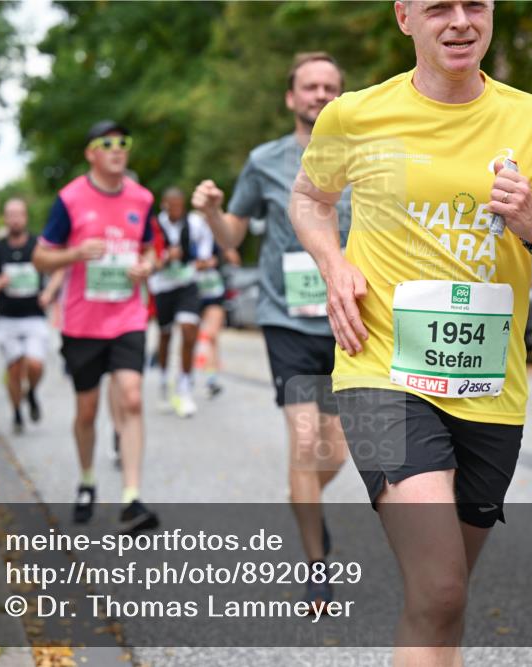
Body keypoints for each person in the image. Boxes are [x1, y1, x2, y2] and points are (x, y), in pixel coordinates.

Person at [290, 1, 532, 661]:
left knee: (441, 604)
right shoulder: (355, 114)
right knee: (438, 586)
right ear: (405, 18)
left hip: (490, 389)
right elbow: (309, 199)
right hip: (377, 375)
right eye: (438, 8)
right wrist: (333, 261)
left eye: (475, 5)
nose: (460, 21)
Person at [192, 51, 353, 610]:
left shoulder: (367, 158)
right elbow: (232, 233)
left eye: (330, 85)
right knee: (306, 442)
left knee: (339, 451)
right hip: (287, 318)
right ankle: (316, 565)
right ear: (291, 97)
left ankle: (303, 498)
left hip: (352, 318)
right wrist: (213, 212)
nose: (320, 94)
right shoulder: (264, 162)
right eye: (310, 86)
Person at [33, 120, 160, 533]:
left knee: (132, 396)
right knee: (86, 410)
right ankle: (87, 480)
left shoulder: (141, 198)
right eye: (108, 143)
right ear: (92, 153)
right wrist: (74, 254)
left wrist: (146, 267)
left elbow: (149, 252)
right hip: (83, 322)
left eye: (124, 142)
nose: (118, 149)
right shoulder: (69, 199)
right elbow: (40, 258)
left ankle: (131, 498)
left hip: (127, 316)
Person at [0, 198, 51, 435]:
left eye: (19, 214)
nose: (15, 219)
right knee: (15, 368)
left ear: (25, 217)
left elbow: (58, 269)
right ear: (5, 218)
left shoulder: (38, 246)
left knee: (35, 365)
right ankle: (17, 413)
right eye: (11, 214)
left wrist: (49, 292)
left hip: (34, 316)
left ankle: (32, 393)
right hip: (6, 318)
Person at [147, 187, 214, 418]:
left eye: (180, 205)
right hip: (163, 286)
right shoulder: (155, 225)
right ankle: (164, 381)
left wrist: (202, 260)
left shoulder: (195, 223)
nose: (176, 209)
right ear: (164, 205)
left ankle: (184, 385)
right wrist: (165, 257)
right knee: (165, 335)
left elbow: (205, 245)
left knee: (188, 331)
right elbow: (148, 254)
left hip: (187, 284)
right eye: (172, 205)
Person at [194, 246, 240, 398]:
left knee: (211, 335)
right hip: (193, 293)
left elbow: (235, 260)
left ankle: (211, 380)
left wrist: (227, 252)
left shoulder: (217, 238)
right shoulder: (190, 231)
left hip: (215, 293)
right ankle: (187, 377)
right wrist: (201, 265)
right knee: (190, 336)